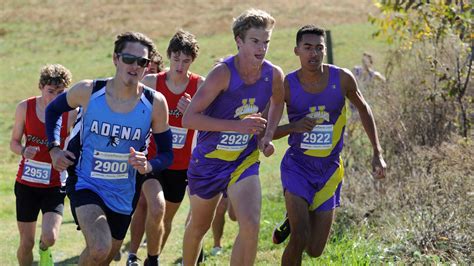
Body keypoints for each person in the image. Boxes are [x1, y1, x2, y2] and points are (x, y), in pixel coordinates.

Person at [45, 31, 173, 266]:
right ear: (116, 59)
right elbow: (52, 111)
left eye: (142, 62)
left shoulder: (155, 104)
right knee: (100, 247)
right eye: (128, 59)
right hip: (85, 182)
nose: (135, 66)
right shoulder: (89, 91)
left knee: (103, 257)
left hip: (124, 192)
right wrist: (53, 149)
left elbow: (167, 154)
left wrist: (149, 165)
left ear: (147, 66)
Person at [271, 25, 387, 265]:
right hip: (297, 167)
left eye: (319, 48)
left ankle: (292, 220)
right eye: (308, 48)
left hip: (329, 171)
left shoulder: (342, 78)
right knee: (300, 237)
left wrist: (377, 152)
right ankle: (295, 222)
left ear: (324, 50)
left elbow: (364, 109)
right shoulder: (287, 85)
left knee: (314, 250)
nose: (313, 53)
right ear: (297, 51)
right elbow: (267, 132)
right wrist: (294, 126)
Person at [182, 9, 285, 266]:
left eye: (266, 42)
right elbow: (189, 118)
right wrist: (236, 127)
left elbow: (277, 103)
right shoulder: (222, 74)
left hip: (243, 160)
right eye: (255, 41)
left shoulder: (273, 74)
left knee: (250, 224)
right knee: (199, 227)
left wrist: (267, 136)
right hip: (209, 162)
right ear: (239, 41)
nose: (262, 48)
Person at [126, 29, 204, 266]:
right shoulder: (152, 82)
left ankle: (154, 256)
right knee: (155, 206)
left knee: (166, 219)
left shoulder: (199, 85)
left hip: (180, 165)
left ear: (192, 61)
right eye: (176, 59)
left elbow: (207, 122)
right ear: (169, 56)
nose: (180, 66)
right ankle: (138, 256)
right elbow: (131, 110)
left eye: (186, 61)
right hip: (153, 159)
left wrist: (192, 109)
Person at [10, 64, 75, 266]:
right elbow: (13, 142)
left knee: (50, 237)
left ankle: (44, 248)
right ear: (40, 87)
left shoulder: (70, 113)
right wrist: (23, 151)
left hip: (54, 185)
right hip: (27, 184)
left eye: (60, 92)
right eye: (50, 91)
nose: (55, 97)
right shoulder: (25, 107)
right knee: (26, 243)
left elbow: (78, 139)